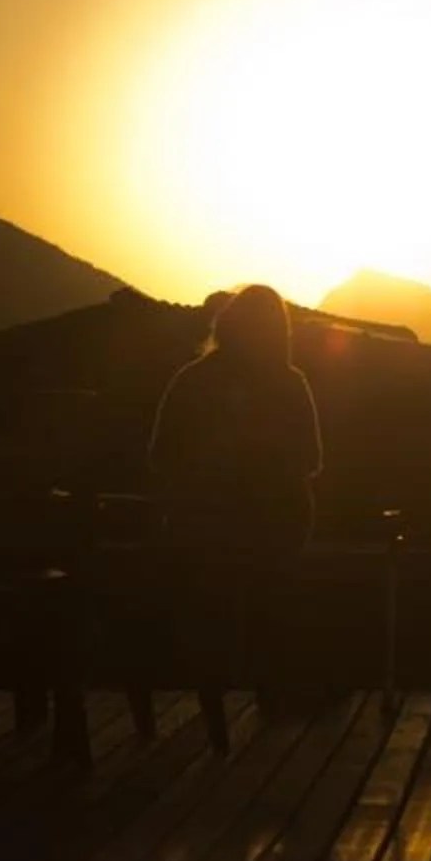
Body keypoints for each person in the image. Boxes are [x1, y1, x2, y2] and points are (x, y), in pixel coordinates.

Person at [147, 286, 325, 736]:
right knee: (271, 593)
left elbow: (160, 455)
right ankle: (275, 689)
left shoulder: (193, 379)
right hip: (267, 523)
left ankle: (217, 694)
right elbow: (310, 459)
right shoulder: (289, 382)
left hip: (207, 523)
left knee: (222, 599)